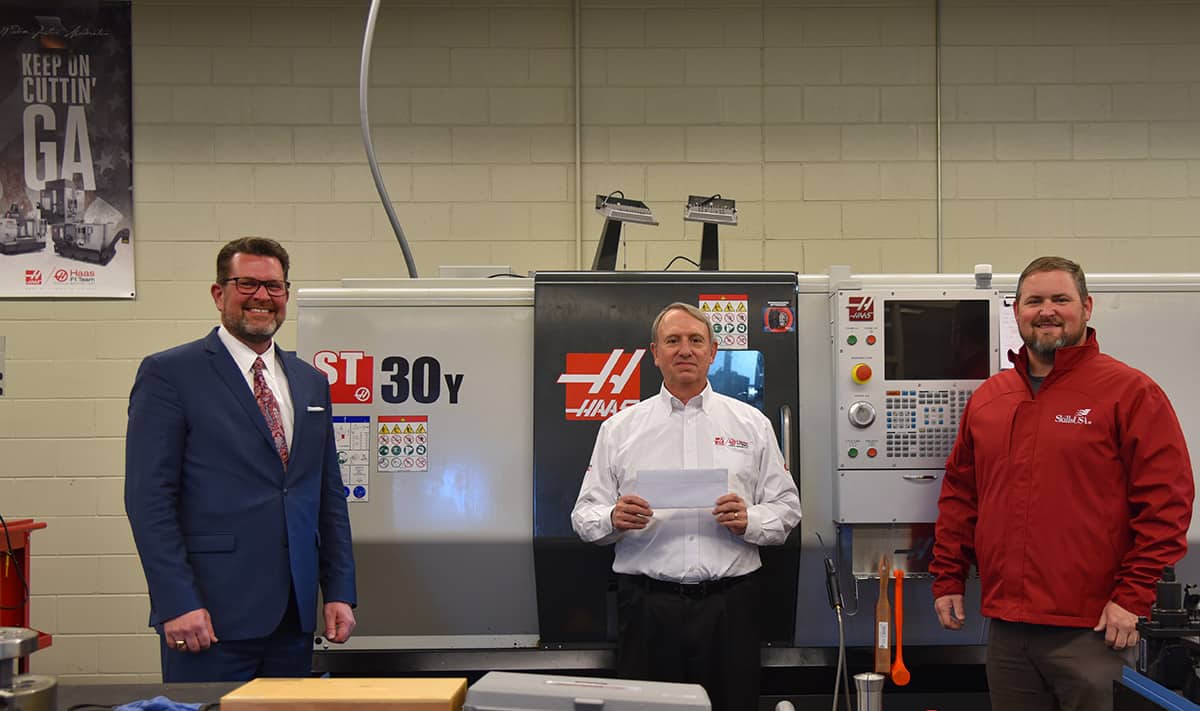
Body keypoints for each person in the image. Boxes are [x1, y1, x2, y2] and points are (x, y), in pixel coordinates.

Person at [931, 256, 1194, 711]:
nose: (1046, 310)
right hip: (1009, 634)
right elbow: (961, 496)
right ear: (1017, 312)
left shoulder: (1129, 392)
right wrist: (948, 577)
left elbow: (1167, 507)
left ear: (1086, 307)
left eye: (1060, 299)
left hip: (1094, 632)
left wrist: (1132, 598)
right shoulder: (991, 399)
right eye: (1034, 300)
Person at [125, 237, 357, 682]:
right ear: (219, 293)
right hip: (208, 616)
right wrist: (177, 601)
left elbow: (327, 496)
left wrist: (339, 590)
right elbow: (148, 500)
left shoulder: (311, 383)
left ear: (286, 295)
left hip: (294, 614)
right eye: (247, 284)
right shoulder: (170, 374)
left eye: (273, 287)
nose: (262, 297)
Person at [571, 302, 802, 711]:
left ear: (713, 351)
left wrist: (751, 519)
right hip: (647, 611)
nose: (685, 349)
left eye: (696, 340)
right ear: (655, 352)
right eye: (672, 341)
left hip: (730, 609)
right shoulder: (620, 428)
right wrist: (612, 517)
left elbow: (787, 508)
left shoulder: (751, 425)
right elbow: (584, 514)